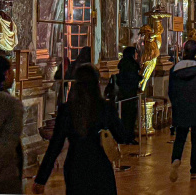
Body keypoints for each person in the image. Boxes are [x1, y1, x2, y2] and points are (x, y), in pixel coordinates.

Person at [33, 64, 126, 194]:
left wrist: (41, 179)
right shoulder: (104, 107)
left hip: (75, 165)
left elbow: (55, 146)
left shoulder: (67, 110)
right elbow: (121, 136)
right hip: (99, 164)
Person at [168, 39, 196, 182]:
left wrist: (175, 106)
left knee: (180, 138)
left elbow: (171, 91)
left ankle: (176, 159)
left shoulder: (174, 69)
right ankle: (194, 170)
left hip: (181, 108)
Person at [0, 55, 23, 195]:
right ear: (5, 74)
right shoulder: (11, 104)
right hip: (2, 180)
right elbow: (6, 146)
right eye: (11, 71)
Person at [115, 46, 142, 144]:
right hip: (129, 95)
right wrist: (139, 78)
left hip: (125, 94)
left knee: (126, 117)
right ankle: (128, 137)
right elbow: (130, 78)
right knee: (129, 117)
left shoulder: (124, 63)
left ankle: (127, 136)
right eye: (135, 52)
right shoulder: (130, 64)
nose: (137, 54)